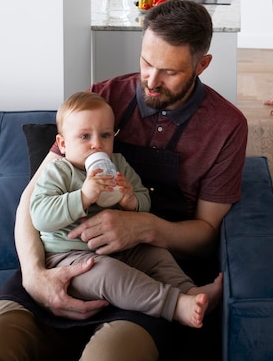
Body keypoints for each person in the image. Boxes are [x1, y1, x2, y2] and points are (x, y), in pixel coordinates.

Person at [0, 0, 248, 361]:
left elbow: (208, 234)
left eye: (170, 72)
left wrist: (144, 227)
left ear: (202, 65)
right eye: (145, 63)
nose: (151, 81)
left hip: (144, 284)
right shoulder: (103, 98)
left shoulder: (227, 127)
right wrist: (34, 275)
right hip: (67, 263)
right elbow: (33, 197)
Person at [30, 90, 223, 329]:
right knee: (110, 274)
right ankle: (174, 306)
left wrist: (131, 200)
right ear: (63, 143)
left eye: (105, 135)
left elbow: (144, 199)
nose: (96, 144)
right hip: (70, 257)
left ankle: (190, 291)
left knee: (157, 255)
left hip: (119, 248)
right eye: (84, 136)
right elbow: (39, 215)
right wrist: (82, 196)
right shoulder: (58, 172)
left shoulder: (118, 164)